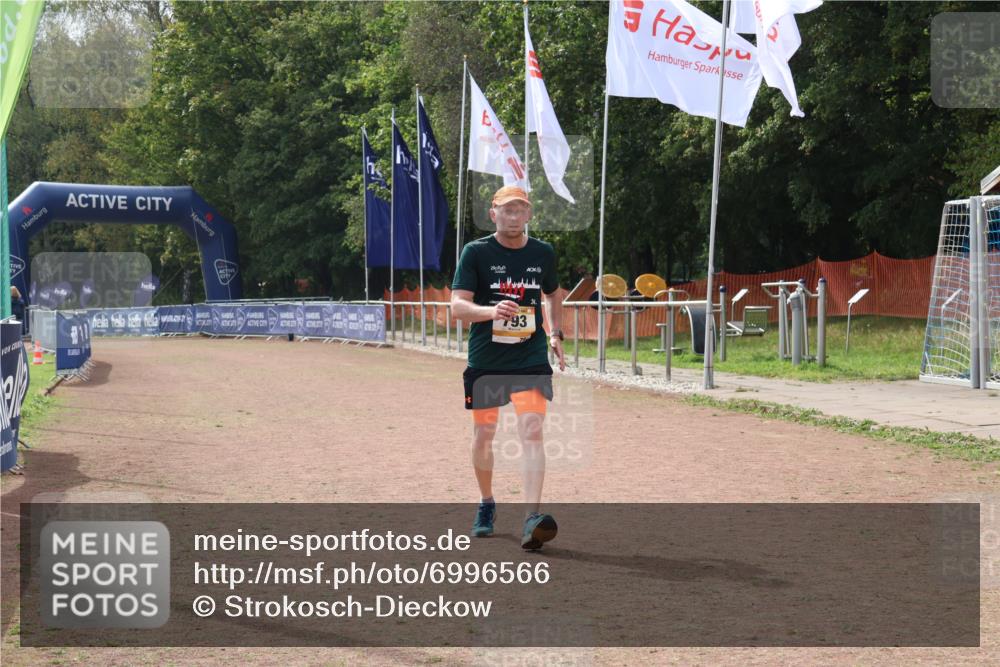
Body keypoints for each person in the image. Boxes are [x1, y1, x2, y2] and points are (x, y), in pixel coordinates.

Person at [451, 185, 566, 550]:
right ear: (493, 214)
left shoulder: (542, 253)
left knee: (532, 432)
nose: (514, 217)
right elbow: (457, 306)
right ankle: (486, 502)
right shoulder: (476, 253)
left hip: (530, 359)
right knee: (484, 435)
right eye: (507, 210)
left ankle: (532, 518)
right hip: (487, 359)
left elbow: (552, 294)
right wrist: (491, 311)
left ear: (529, 215)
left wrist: (554, 333)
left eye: (521, 210)